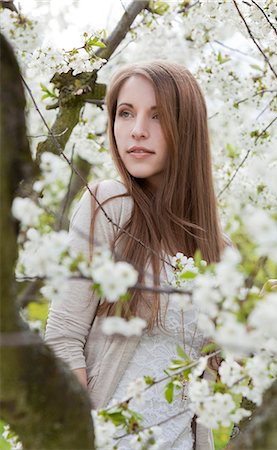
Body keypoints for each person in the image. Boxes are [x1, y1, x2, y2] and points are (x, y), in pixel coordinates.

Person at [45, 60, 227, 450]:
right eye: (125, 113)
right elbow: (62, 337)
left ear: (187, 128)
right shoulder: (110, 204)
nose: (137, 129)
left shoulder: (218, 251)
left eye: (157, 116)